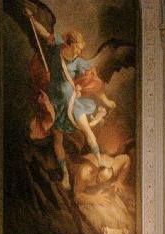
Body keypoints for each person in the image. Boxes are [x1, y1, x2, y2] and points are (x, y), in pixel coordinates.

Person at [25, 9, 118, 190]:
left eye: (80, 49)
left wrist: (102, 98)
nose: (79, 52)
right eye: (76, 48)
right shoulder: (55, 47)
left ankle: (100, 162)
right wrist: (31, 18)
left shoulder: (80, 62)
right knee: (57, 140)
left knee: (87, 131)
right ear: (68, 44)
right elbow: (43, 33)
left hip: (73, 103)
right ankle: (65, 175)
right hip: (56, 104)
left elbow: (94, 82)